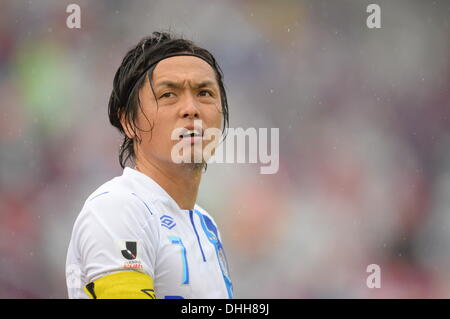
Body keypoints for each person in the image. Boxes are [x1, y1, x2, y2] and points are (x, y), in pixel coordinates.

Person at [65, 31, 233, 299]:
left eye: (204, 92)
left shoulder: (205, 223)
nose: (191, 108)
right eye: (168, 94)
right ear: (129, 122)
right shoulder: (117, 208)